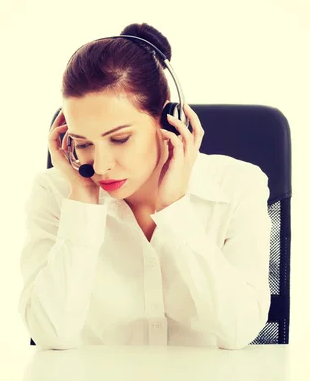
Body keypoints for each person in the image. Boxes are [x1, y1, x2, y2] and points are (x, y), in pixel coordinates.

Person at [18, 23, 272, 350]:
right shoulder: (54, 194)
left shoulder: (238, 186)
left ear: (168, 119)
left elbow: (238, 330)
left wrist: (176, 210)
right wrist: (82, 204)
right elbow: (51, 335)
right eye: (83, 143)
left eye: (120, 139)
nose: (101, 164)